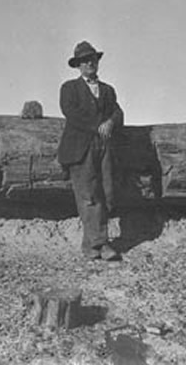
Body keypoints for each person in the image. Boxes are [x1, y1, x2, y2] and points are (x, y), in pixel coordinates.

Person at [57, 41, 124, 261]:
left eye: (93, 59)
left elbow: (118, 112)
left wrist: (111, 123)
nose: (90, 63)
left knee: (106, 192)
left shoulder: (107, 90)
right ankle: (101, 244)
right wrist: (98, 125)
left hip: (104, 147)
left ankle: (90, 245)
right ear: (78, 65)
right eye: (85, 60)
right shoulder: (69, 88)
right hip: (80, 148)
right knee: (88, 196)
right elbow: (72, 113)